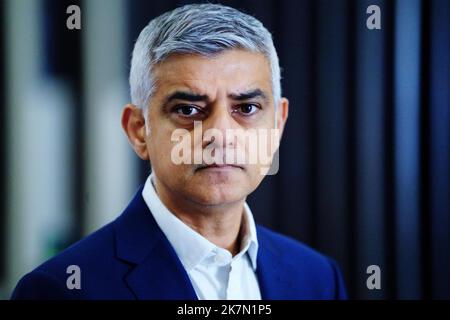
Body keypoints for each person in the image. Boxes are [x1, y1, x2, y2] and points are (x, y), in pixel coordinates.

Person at [11, 3, 347, 300]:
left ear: (277, 125)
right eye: (188, 110)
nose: (220, 135)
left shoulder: (317, 279)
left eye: (246, 108)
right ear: (139, 130)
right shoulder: (61, 290)